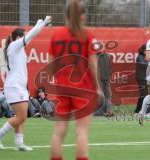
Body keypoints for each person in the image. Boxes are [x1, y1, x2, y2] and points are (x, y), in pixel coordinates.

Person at [49, 0, 101, 160]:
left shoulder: (57, 35)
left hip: (62, 88)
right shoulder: (87, 35)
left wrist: (55, 80)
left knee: (59, 130)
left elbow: (51, 62)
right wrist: (98, 87)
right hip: (84, 89)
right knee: (82, 131)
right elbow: (93, 63)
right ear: (81, 16)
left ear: (67, 15)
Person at [0, 16, 52, 151]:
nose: (26, 38)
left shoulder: (18, 48)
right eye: (23, 36)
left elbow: (30, 36)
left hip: (20, 87)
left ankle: (19, 144)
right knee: (22, 116)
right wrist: (42, 23)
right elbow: (31, 35)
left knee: (21, 117)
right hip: (13, 87)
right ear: (18, 38)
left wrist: (39, 24)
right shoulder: (13, 46)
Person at [135, 44, 148, 113]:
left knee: (143, 95)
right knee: (143, 95)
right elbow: (143, 65)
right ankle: (140, 110)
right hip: (141, 78)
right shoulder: (140, 57)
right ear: (143, 50)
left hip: (145, 78)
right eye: (146, 50)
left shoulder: (146, 56)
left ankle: (138, 110)